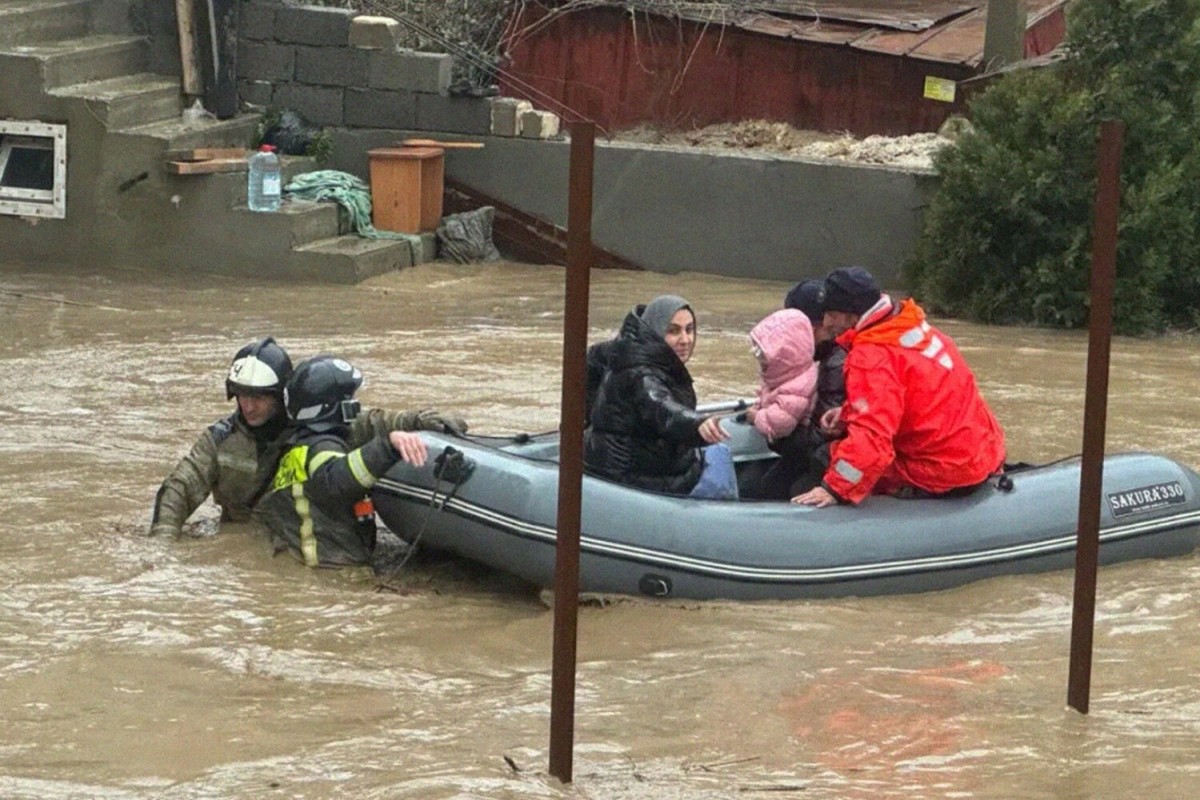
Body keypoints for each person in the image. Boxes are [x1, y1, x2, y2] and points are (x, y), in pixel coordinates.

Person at [150, 337, 466, 538]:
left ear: (281, 396)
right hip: (247, 539)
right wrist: (162, 544)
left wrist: (422, 421)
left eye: (258, 397)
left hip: (299, 541)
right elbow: (180, 488)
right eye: (241, 396)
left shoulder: (315, 427)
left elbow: (372, 423)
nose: (248, 405)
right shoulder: (219, 440)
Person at [793, 266, 1006, 507]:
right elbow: (908, 399)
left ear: (852, 313)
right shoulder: (910, 327)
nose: (828, 322)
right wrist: (847, 414)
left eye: (832, 314)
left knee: (825, 458)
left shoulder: (873, 357)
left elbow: (873, 441)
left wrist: (835, 489)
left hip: (942, 470)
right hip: (979, 453)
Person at [253, 355, 429, 568]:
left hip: (309, 568)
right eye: (351, 399)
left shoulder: (297, 448)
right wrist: (388, 446)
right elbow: (337, 481)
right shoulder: (322, 449)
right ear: (336, 406)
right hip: (335, 574)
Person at [585, 294, 737, 499]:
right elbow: (660, 405)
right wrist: (696, 424)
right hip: (636, 479)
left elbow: (591, 360)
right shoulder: (641, 375)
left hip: (645, 463)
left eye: (690, 330)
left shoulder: (624, 350)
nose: (685, 340)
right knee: (719, 465)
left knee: (716, 453)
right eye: (673, 331)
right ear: (655, 332)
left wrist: (587, 418)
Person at [740, 308, 819, 499]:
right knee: (764, 484)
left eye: (763, 356)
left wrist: (756, 416)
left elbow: (780, 423)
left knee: (771, 488)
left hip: (802, 451)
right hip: (796, 449)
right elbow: (768, 395)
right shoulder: (784, 376)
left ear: (785, 356)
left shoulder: (799, 384)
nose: (761, 361)